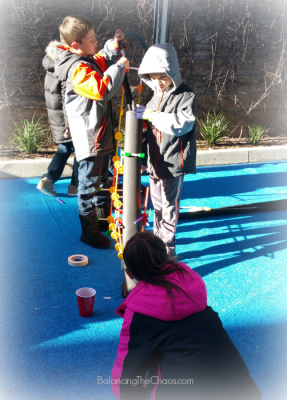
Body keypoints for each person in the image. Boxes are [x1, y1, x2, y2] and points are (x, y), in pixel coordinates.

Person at [111, 232, 262, 400]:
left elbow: (126, 372)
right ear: (167, 255)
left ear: (130, 274)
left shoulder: (140, 313)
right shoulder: (194, 288)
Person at [55, 15, 129, 248]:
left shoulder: (86, 58)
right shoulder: (77, 68)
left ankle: (100, 219)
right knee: (88, 186)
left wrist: (114, 45)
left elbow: (101, 58)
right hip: (90, 138)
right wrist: (120, 68)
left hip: (100, 134)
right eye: (91, 39)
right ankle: (88, 232)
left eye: (96, 37)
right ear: (75, 46)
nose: (95, 42)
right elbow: (101, 89)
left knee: (102, 179)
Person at [134, 43, 196, 258]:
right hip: (154, 162)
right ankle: (158, 239)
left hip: (173, 161)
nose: (158, 82)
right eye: (153, 77)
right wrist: (142, 155)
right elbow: (147, 130)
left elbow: (182, 123)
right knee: (157, 203)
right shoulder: (154, 96)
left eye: (162, 76)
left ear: (172, 73)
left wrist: (151, 116)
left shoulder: (185, 95)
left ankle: (167, 246)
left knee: (169, 205)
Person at [37, 40, 79, 197]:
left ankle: (49, 181)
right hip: (67, 119)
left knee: (66, 148)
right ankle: (74, 185)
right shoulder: (63, 69)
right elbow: (67, 98)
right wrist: (69, 125)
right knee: (78, 149)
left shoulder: (51, 66)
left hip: (58, 117)